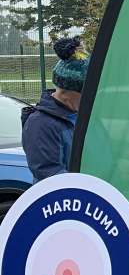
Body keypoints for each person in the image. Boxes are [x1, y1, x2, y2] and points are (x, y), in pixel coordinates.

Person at [21, 36, 89, 180]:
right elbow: (50, 175)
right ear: (69, 92)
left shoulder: (84, 116)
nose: (92, 98)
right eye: (87, 93)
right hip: (70, 200)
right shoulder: (40, 124)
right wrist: (90, 184)